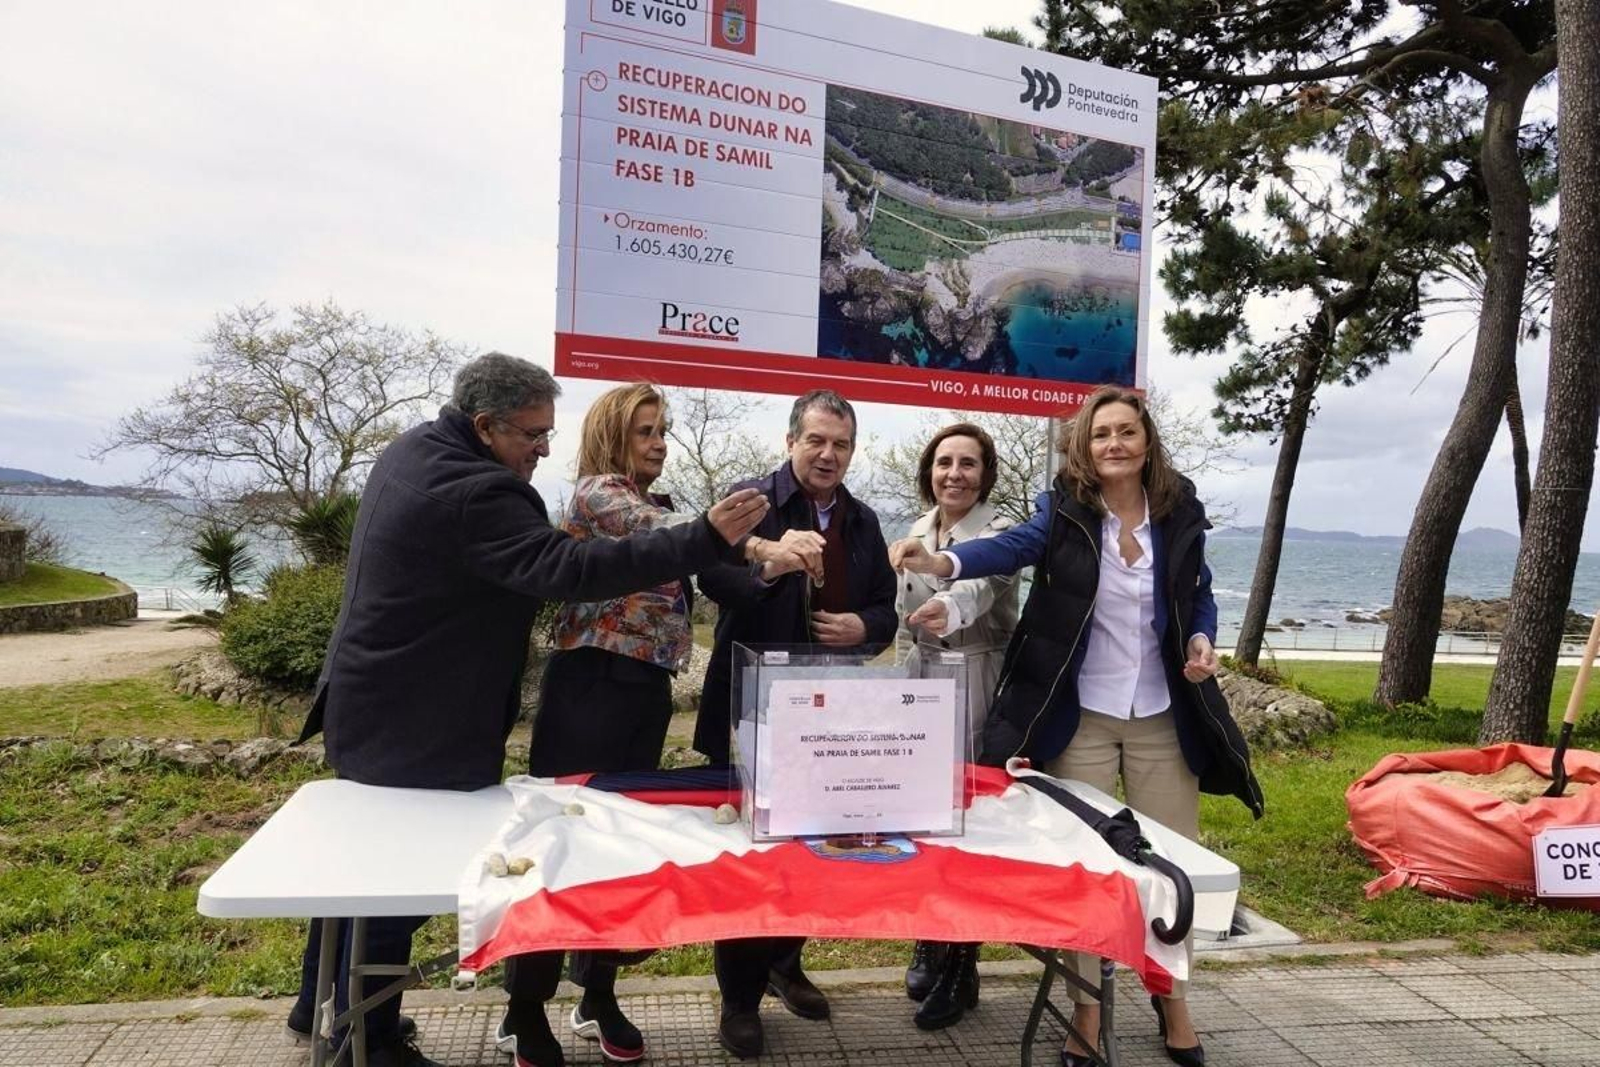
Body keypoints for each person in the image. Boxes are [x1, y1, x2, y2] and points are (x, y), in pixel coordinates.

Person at [289, 354, 773, 1067]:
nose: (545, 448)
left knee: (371, 863)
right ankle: (369, 1038)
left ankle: (318, 1004)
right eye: (532, 433)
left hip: (383, 699)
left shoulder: (415, 449)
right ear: (485, 425)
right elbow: (566, 569)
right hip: (421, 718)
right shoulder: (479, 490)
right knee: (397, 879)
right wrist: (711, 535)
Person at [891, 385, 1262, 1067]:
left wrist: (1202, 637)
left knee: (1171, 868)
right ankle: (1086, 1007)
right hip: (1081, 716)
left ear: (1146, 441)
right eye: (1100, 434)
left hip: (1161, 714)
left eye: (1126, 431)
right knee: (1086, 872)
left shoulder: (1179, 511)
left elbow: (1199, 591)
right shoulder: (1062, 510)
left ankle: (1171, 998)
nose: (1114, 443)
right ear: (1083, 448)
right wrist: (942, 562)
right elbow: (1008, 548)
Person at [499, 383, 820, 1064]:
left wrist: (762, 560)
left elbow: (703, 558)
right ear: (612, 435)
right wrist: (760, 545)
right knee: (558, 847)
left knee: (617, 853)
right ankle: (523, 1008)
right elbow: (668, 536)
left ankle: (597, 994)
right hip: (589, 687)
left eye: (663, 430)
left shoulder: (657, 504)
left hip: (644, 692)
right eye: (645, 430)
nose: (659, 443)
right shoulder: (599, 496)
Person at [694, 389, 898, 1059]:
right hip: (750, 707)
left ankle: (785, 962)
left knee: (812, 848)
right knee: (751, 858)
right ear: (790, 442)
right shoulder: (752, 500)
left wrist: (865, 627)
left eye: (840, 444)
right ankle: (739, 997)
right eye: (816, 440)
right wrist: (770, 565)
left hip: (829, 713)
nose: (828, 454)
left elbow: (886, 608)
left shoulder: (863, 520)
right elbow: (711, 576)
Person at [891, 423, 1020, 1031]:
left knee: (967, 820)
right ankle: (929, 937)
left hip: (974, 678)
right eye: (945, 462)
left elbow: (978, 589)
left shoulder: (1002, 534)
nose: (955, 474)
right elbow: (900, 623)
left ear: (985, 474)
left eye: (969, 463)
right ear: (930, 471)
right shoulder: (915, 530)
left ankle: (963, 963)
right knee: (920, 815)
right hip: (918, 680)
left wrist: (945, 607)